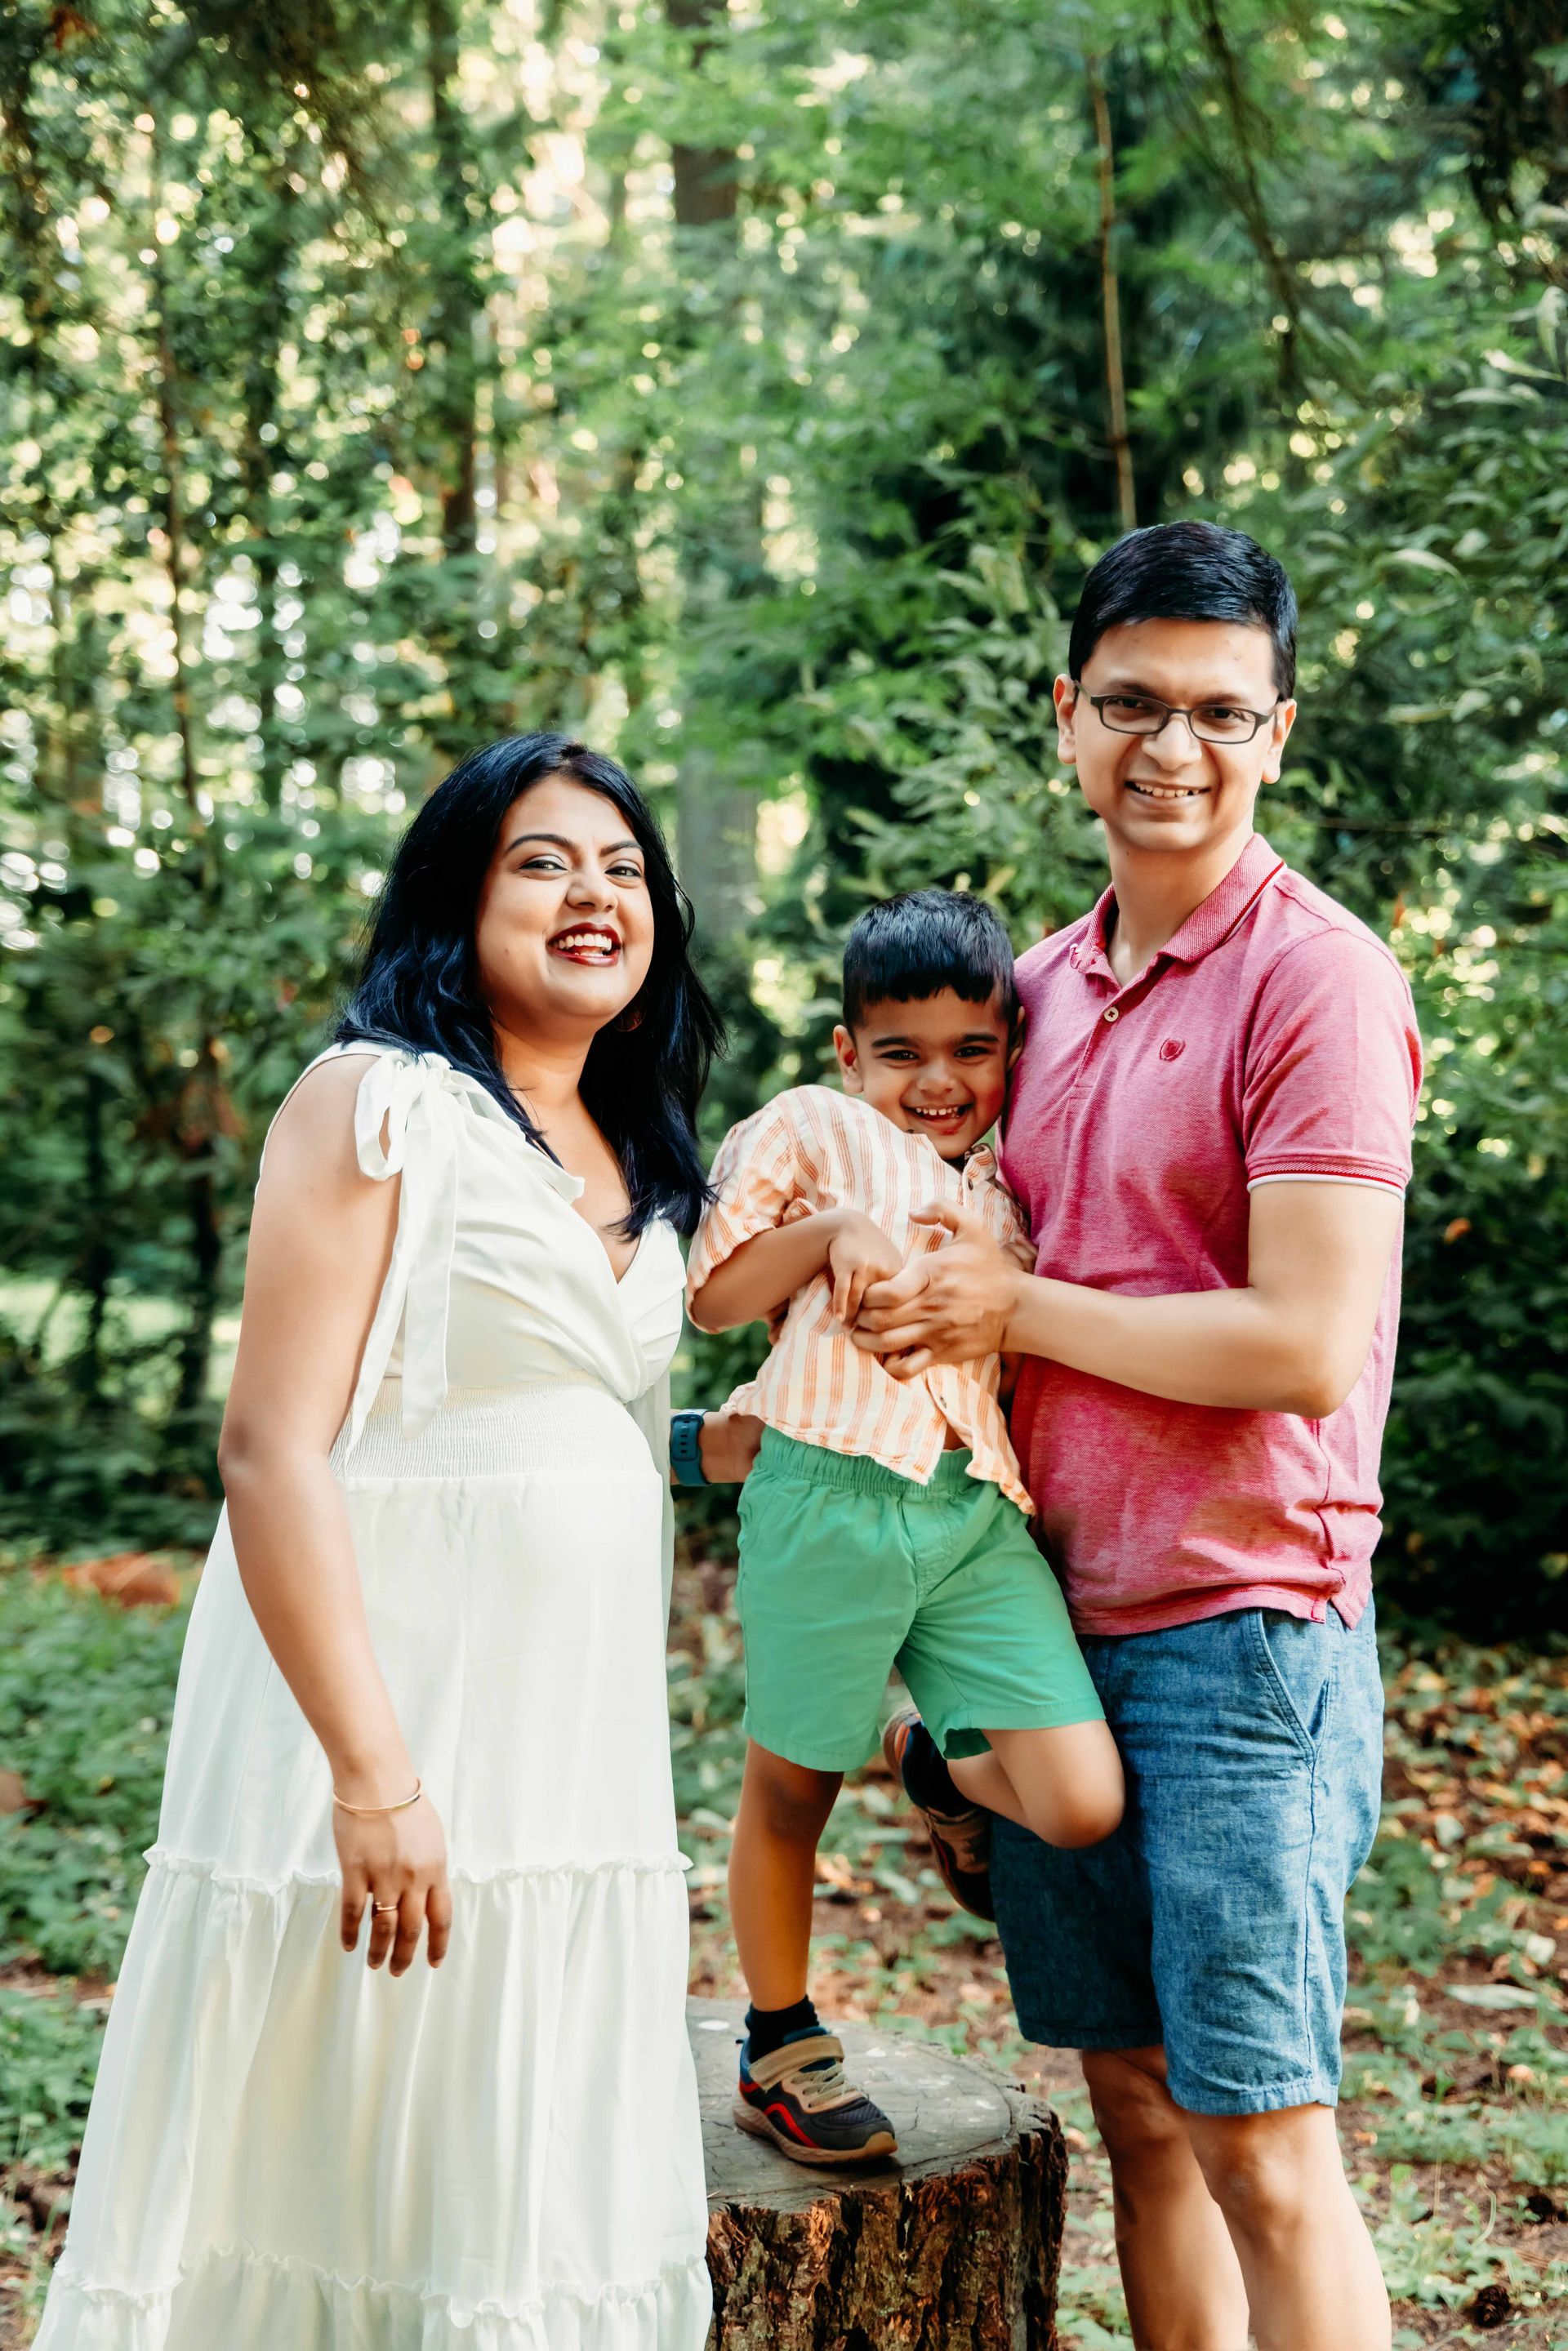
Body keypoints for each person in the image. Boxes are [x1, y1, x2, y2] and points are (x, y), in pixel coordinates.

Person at [37, 736, 722, 2351]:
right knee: (352, 2135)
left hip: (576, 1753)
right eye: (542, 861)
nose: (594, 895)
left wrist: (715, 1443)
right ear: (455, 898)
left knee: (524, 2158)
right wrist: (375, 1775)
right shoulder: (378, 1106)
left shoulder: (644, 1141)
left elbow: (557, 1411)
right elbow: (273, 1448)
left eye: (624, 870)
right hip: (394, 1716)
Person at [854, 522, 1421, 2351]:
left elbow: (1302, 1342)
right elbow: (952, 1343)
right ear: (1067, 717)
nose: (1171, 747)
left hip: (1240, 1630)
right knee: (1139, 2120)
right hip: (1044, 1627)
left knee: (1263, 2138)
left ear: (1278, 734)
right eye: (1132, 705)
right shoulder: (1035, 994)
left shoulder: (1316, 981)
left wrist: (1015, 1311)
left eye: (1218, 713)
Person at [685, 891, 1123, 2166]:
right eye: (902, 1053)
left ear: (1008, 1050)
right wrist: (829, 1232)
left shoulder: (1006, 1191)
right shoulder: (809, 1129)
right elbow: (714, 1301)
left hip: (972, 1514)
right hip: (828, 1496)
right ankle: (780, 2043)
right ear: (848, 1051)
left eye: (971, 1051)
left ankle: (931, 1763)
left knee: (1083, 1801)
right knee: (790, 1790)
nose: (939, 1082)